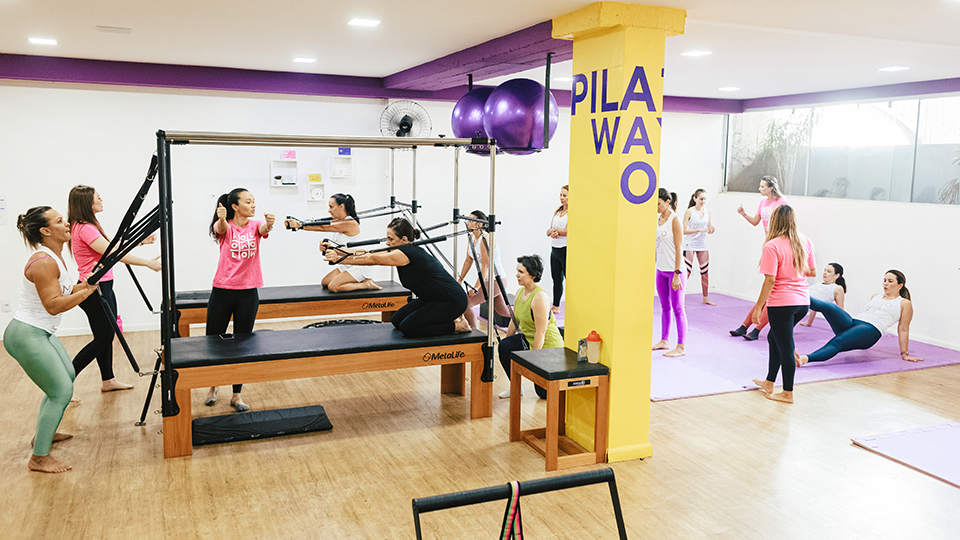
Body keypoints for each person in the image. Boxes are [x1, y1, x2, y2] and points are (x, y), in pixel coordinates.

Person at [4, 206, 97, 473]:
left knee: (66, 376)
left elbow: (64, 290)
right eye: (59, 221)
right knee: (61, 391)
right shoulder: (43, 262)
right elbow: (54, 305)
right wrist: (86, 292)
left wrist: (84, 284)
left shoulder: (55, 256)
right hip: (26, 334)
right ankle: (39, 457)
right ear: (45, 231)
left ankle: (45, 432)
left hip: (41, 332)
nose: (67, 223)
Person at [67, 185, 162, 393]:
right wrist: (147, 263)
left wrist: (139, 242)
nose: (101, 199)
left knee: (104, 335)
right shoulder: (85, 227)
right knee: (104, 337)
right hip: (94, 290)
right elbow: (113, 255)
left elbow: (109, 247)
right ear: (86, 203)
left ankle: (108, 380)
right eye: (97, 197)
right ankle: (64, 383)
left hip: (101, 287)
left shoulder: (85, 225)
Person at [325, 217, 470, 337]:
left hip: (452, 301)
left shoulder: (406, 254)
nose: (387, 242)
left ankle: (457, 326)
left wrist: (340, 259)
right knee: (397, 320)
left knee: (409, 328)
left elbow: (373, 260)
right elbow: (369, 253)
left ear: (404, 239)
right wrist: (337, 251)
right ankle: (447, 320)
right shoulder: (400, 251)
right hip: (432, 299)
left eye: (391, 239)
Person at [204, 188, 275, 412]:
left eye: (254, 201)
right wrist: (223, 218)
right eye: (248, 201)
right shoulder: (224, 226)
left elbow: (263, 229)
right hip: (223, 291)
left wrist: (270, 225)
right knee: (214, 342)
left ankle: (236, 395)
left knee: (243, 345)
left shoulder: (254, 226)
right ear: (235, 206)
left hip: (248, 293)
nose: (253, 205)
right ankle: (213, 386)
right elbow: (221, 228)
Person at [750, 205, 816, 404]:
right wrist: (795, 265)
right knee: (773, 338)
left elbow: (769, 281)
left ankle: (788, 392)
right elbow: (812, 272)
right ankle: (769, 382)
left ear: (774, 222)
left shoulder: (772, 246)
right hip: (802, 303)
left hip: (782, 304)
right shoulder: (805, 241)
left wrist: (758, 308)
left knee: (786, 347)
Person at [795, 270, 922, 366]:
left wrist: (904, 354)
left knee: (838, 342)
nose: (885, 284)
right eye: (884, 280)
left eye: (890, 281)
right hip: (854, 322)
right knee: (828, 306)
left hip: (871, 330)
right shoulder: (876, 296)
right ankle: (793, 294)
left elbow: (903, 329)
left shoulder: (904, 303)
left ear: (900, 285)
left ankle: (803, 359)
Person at [731, 175, 790, 340]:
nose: (759, 188)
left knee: (772, 294)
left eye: (762, 186)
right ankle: (745, 326)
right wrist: (743, 214)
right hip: (768, 245)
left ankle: (756, 329)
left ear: (771, 187)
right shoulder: (763, 202)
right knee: (767, 292)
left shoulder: (782, 203)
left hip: (778, 246)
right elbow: (756, 221)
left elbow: (787, 226)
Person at [283, 193, 381, 292]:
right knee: (325, 282)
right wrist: (327, 247)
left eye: (331, 207)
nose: (328, 210)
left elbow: (323, 227)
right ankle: (354, 280)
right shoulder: (339, 221)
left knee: (333, 286)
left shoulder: (350, 223)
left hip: (358, 265)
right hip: (347, 264)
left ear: (341, 206)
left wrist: (300, 225)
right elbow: (341, 247)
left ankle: (366, 284)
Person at [496, 255, 563, 400]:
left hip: (548, 346)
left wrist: (533, 360)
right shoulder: (520, 292)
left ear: (532, 275)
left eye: (521, 272)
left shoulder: (539, 297)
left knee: (543, 393)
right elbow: (514, 322)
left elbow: (541, 331)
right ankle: (515, 387)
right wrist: (508, 342)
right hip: (528, 338)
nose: (516, 274)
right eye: (517, 270)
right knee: (504, 346)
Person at [456, 210, 511, 329]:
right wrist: (459, 280)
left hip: (497, 280)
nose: (468, 223)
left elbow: (485, 266)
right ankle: (531, 316)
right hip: (488, 280)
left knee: (467, 303)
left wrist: (476, 287)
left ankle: (473, 333)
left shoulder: (486, 239)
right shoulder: (471, 237)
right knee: (503, 311)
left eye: (471, 220)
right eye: (468, 220)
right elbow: (468, 261)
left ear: (479, 224)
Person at [653, 188, 687, 357]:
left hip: (675, 271)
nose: (656, 207)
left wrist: (677, 273)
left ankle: (681, 346)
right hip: (661, 270)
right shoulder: (658, 219)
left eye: (658, 204)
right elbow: (656, 245)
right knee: (665, 307)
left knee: (678, 308)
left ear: (667, 202)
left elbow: (679, 248)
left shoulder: (675, 220)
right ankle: (664, 340)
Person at [682, 188, 716, 305]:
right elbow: (683, 230)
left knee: (705, 272)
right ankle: (679, 299)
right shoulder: (689, 212)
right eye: (701, 199)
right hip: (689, 244)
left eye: (705, 199)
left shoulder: (708, 211)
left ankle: (705, 297)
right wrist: (699, 229)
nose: (703, 201)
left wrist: (711, 228)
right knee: (686, 273)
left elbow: (709, 225)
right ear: (695, 199)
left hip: (702, 244)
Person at [800, 262, 846, 327]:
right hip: (799, 296)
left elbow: (840, 310)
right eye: (825, 270)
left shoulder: (837, 288)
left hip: (801, 302)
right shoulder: (819, 284)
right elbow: (815, 306)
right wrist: (809, 323)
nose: (825, 273)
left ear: (837, 275)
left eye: (829, 271)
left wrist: (843, 328)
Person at [546, 185, 568, 314]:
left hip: (565, 249)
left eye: (565, 196)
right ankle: (556, 306)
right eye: (561, 195)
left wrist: (556, 232)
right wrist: (551, 232)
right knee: (556, 279)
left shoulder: (571, 213)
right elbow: (549, 230)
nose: (562, 198)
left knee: (567, 278)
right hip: (554, 249)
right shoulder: (557, 211)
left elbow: (567, 231)